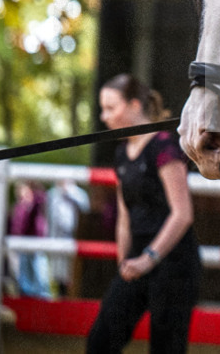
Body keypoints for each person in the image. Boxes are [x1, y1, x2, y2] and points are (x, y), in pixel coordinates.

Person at [86, 74, 200, 353]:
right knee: (100, 341)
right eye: (103, 109)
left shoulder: (164, 147)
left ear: (134, 105)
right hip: (137, 260)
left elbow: (182, 214)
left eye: (111, 108)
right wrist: (125, 261)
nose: (104, 116)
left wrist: (149, 259)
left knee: (165, 348)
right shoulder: (122, 152)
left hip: (173, 262)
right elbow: (125, 216)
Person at [47, 178, 90, 296]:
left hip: (74, 236)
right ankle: (60, 294)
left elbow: (86, 207)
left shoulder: (78, 193)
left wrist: (70, 193)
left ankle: (71, 295)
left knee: (72, 272)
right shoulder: (53, 193)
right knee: (57, 271)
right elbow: (50, 215)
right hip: (57, 237)